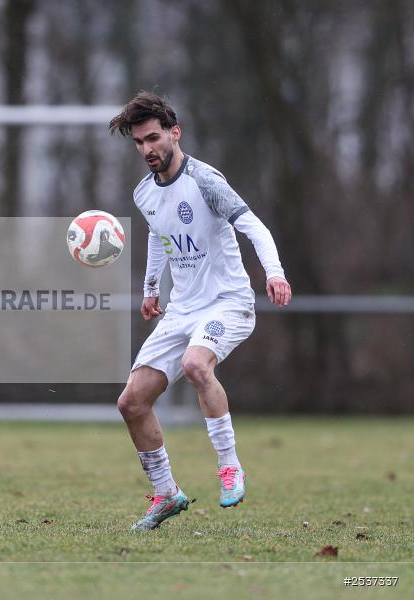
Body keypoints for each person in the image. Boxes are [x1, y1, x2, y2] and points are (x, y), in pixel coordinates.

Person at [109, 92, 292, 531]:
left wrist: (275, 273)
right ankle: (166, 493)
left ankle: (230, 467)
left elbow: (254, 225)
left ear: (175, 133)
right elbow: (159, 234)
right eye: (139, 142)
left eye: (153, 138)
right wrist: (151, 287)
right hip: (182, 309)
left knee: (196, 364)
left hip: (227, 303)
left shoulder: (206, 180)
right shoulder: (143, 193)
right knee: (131, 403)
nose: (147, 149)